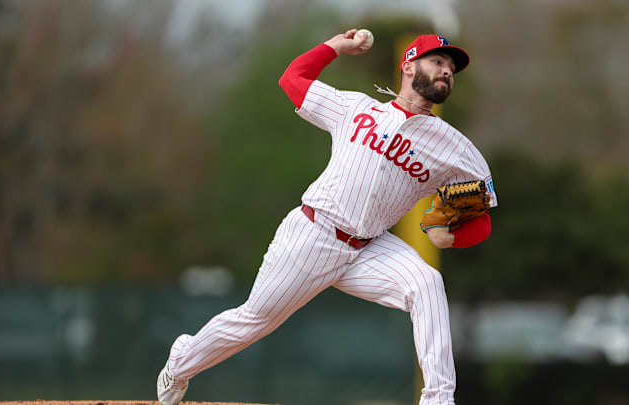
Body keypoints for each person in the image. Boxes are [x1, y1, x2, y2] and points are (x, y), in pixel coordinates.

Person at [157, 29, 498, 405]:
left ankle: (438, 399)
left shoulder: (456, 149)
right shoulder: (357, 108)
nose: (447, 71)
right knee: (253, 321)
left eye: (451, 67)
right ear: (408, 66)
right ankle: (181, 362)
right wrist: (336, 47)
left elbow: (479, 220)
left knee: (427, 283)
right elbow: (293, 80)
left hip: (370, 248)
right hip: (313, 234)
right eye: (437, 61)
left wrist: (454, 235)